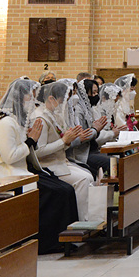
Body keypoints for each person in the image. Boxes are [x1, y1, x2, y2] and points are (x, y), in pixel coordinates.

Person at [0, 77, 79, 253]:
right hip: (9, 174)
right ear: (19, 98)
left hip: (23, 170)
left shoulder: (17, 121)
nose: (33, 101)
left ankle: (68, 238)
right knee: (58, 192)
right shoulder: (5, 122)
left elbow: (24, 150)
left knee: (65, 189)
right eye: (30, 97)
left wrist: (29, 141)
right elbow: (10, 157)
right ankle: (48, 242)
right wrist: (31, 141)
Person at [31, 81, 96, 221]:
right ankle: (80, 221)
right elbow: (38, 151)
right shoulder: (40, 118)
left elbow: (63, 143)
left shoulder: (54, 115)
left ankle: (88, 218)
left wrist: (69, 140)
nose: (65, 104)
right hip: (48, 165)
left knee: (89, 176)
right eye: (63, 100)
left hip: (60, 161)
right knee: (83, 180)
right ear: (51, 99)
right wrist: (63, 141)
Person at [66, 78, 112, 178]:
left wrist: (96, 130)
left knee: (117, 159)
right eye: (93, 92)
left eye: (97, 92)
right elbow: (83, 135)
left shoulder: (87, 109)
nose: (96, 95)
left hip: (91, 149)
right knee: (113, 163)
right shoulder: (78, 111)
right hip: (81, 153)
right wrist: (95, 130)